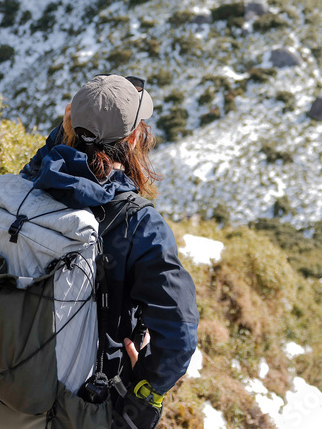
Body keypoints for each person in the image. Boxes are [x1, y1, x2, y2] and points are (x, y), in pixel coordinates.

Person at [19, 73, 199, 428]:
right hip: (90, 401)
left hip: (19, 383)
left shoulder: (31, 187)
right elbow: (179, 336)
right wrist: (146, 392)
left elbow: (43, 163)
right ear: (133, 138)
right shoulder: (141, 225)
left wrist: (72, 128)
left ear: (69, 123)